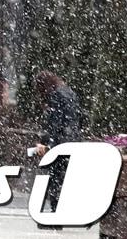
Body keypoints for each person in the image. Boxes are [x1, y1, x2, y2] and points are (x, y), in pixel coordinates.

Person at [33, 70, 86, 227]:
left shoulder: (55, 96)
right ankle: (62, 214)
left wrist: (47, 143)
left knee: (55, 177)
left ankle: (56, 216)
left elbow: (54, 123)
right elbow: (78, 118)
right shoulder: (70, 93)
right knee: (64, 177)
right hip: (72, 140)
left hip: (60, 142)